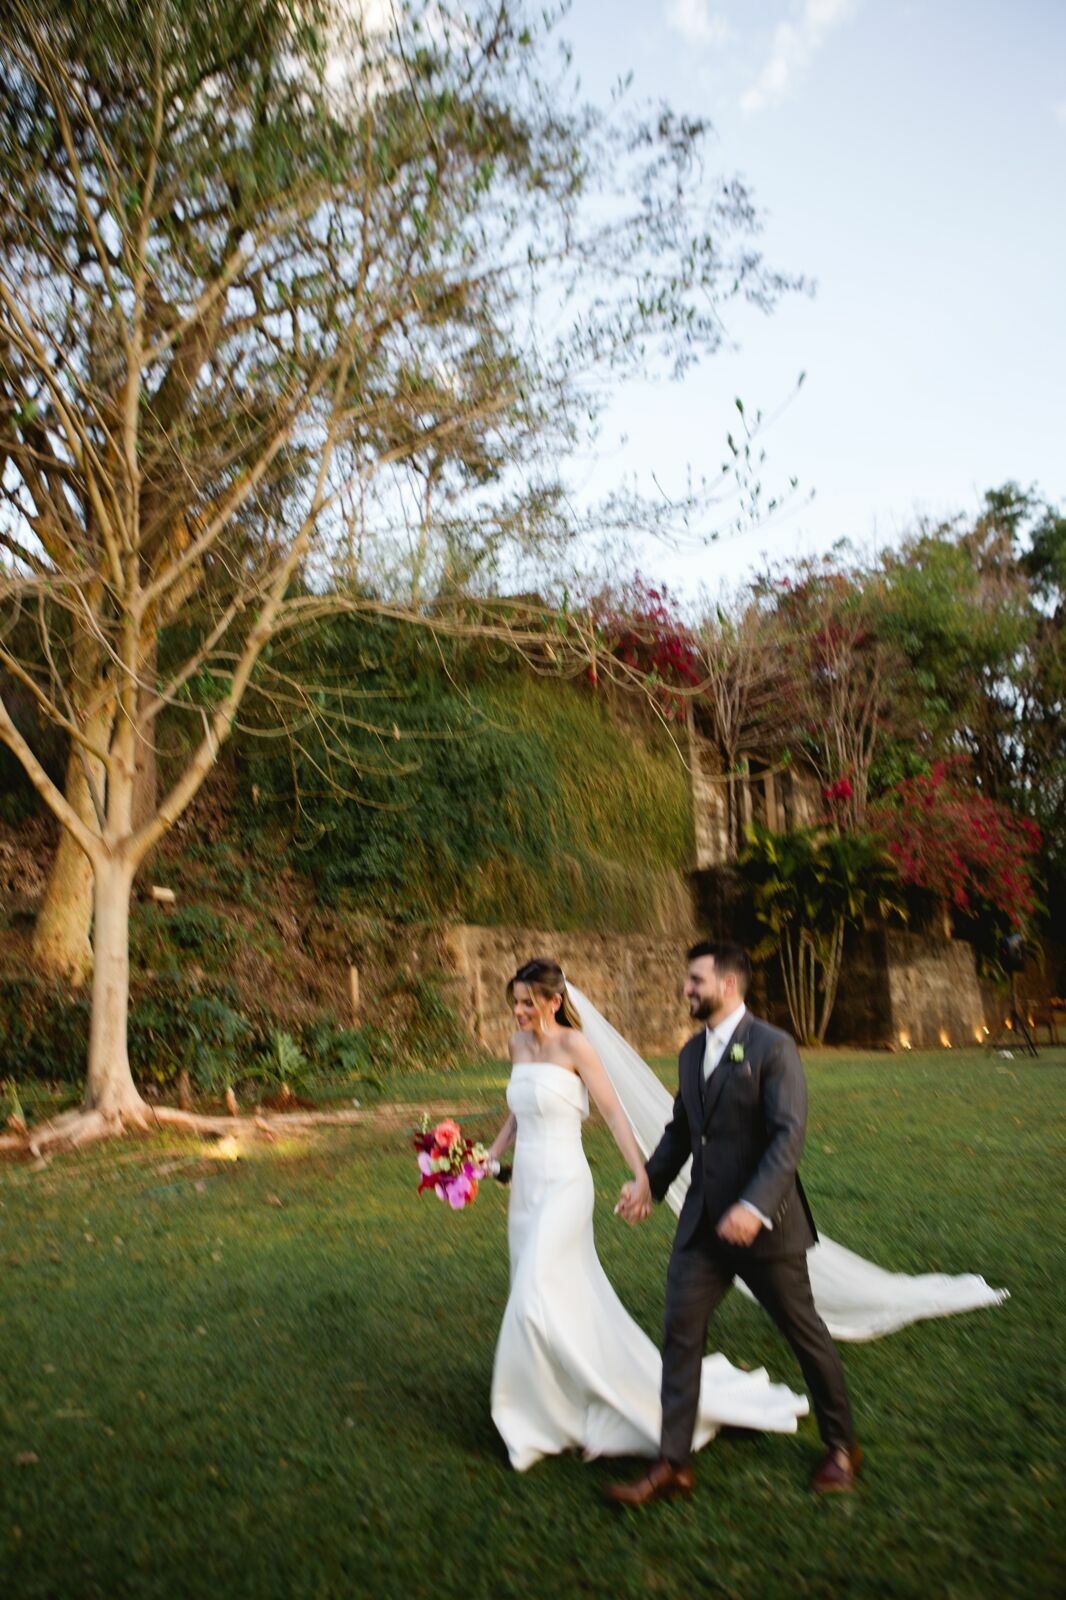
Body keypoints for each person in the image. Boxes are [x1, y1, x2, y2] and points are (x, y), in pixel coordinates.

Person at [485, 957, 810, 1474]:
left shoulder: (577, 1047)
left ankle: (533, 1414)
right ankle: (561, 1400)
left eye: (528, 1002)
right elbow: (517, 1109)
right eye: (515, 1003)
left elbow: (613, 1114)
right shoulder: (518, 1046)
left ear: (553, 1001)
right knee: (553, 1293)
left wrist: (642, 1176)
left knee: (530, 1297)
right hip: (525, 1186)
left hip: (565, 1185)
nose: (519, 1012)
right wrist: (491, 1153)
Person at [605, 940, 859, 1504]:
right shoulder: (692, 1053)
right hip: (702, 1228)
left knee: (804, 1335)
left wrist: (754, 1205)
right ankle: (673, 1463)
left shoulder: (773, 1047)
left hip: (766, 1228)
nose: (686, 989)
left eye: (695, 979)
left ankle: (842, 1447)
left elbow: (787, 1135)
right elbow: (680, 1131)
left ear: (728, 985)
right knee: (680, 1332)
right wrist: (649, 1181)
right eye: (687, 979)